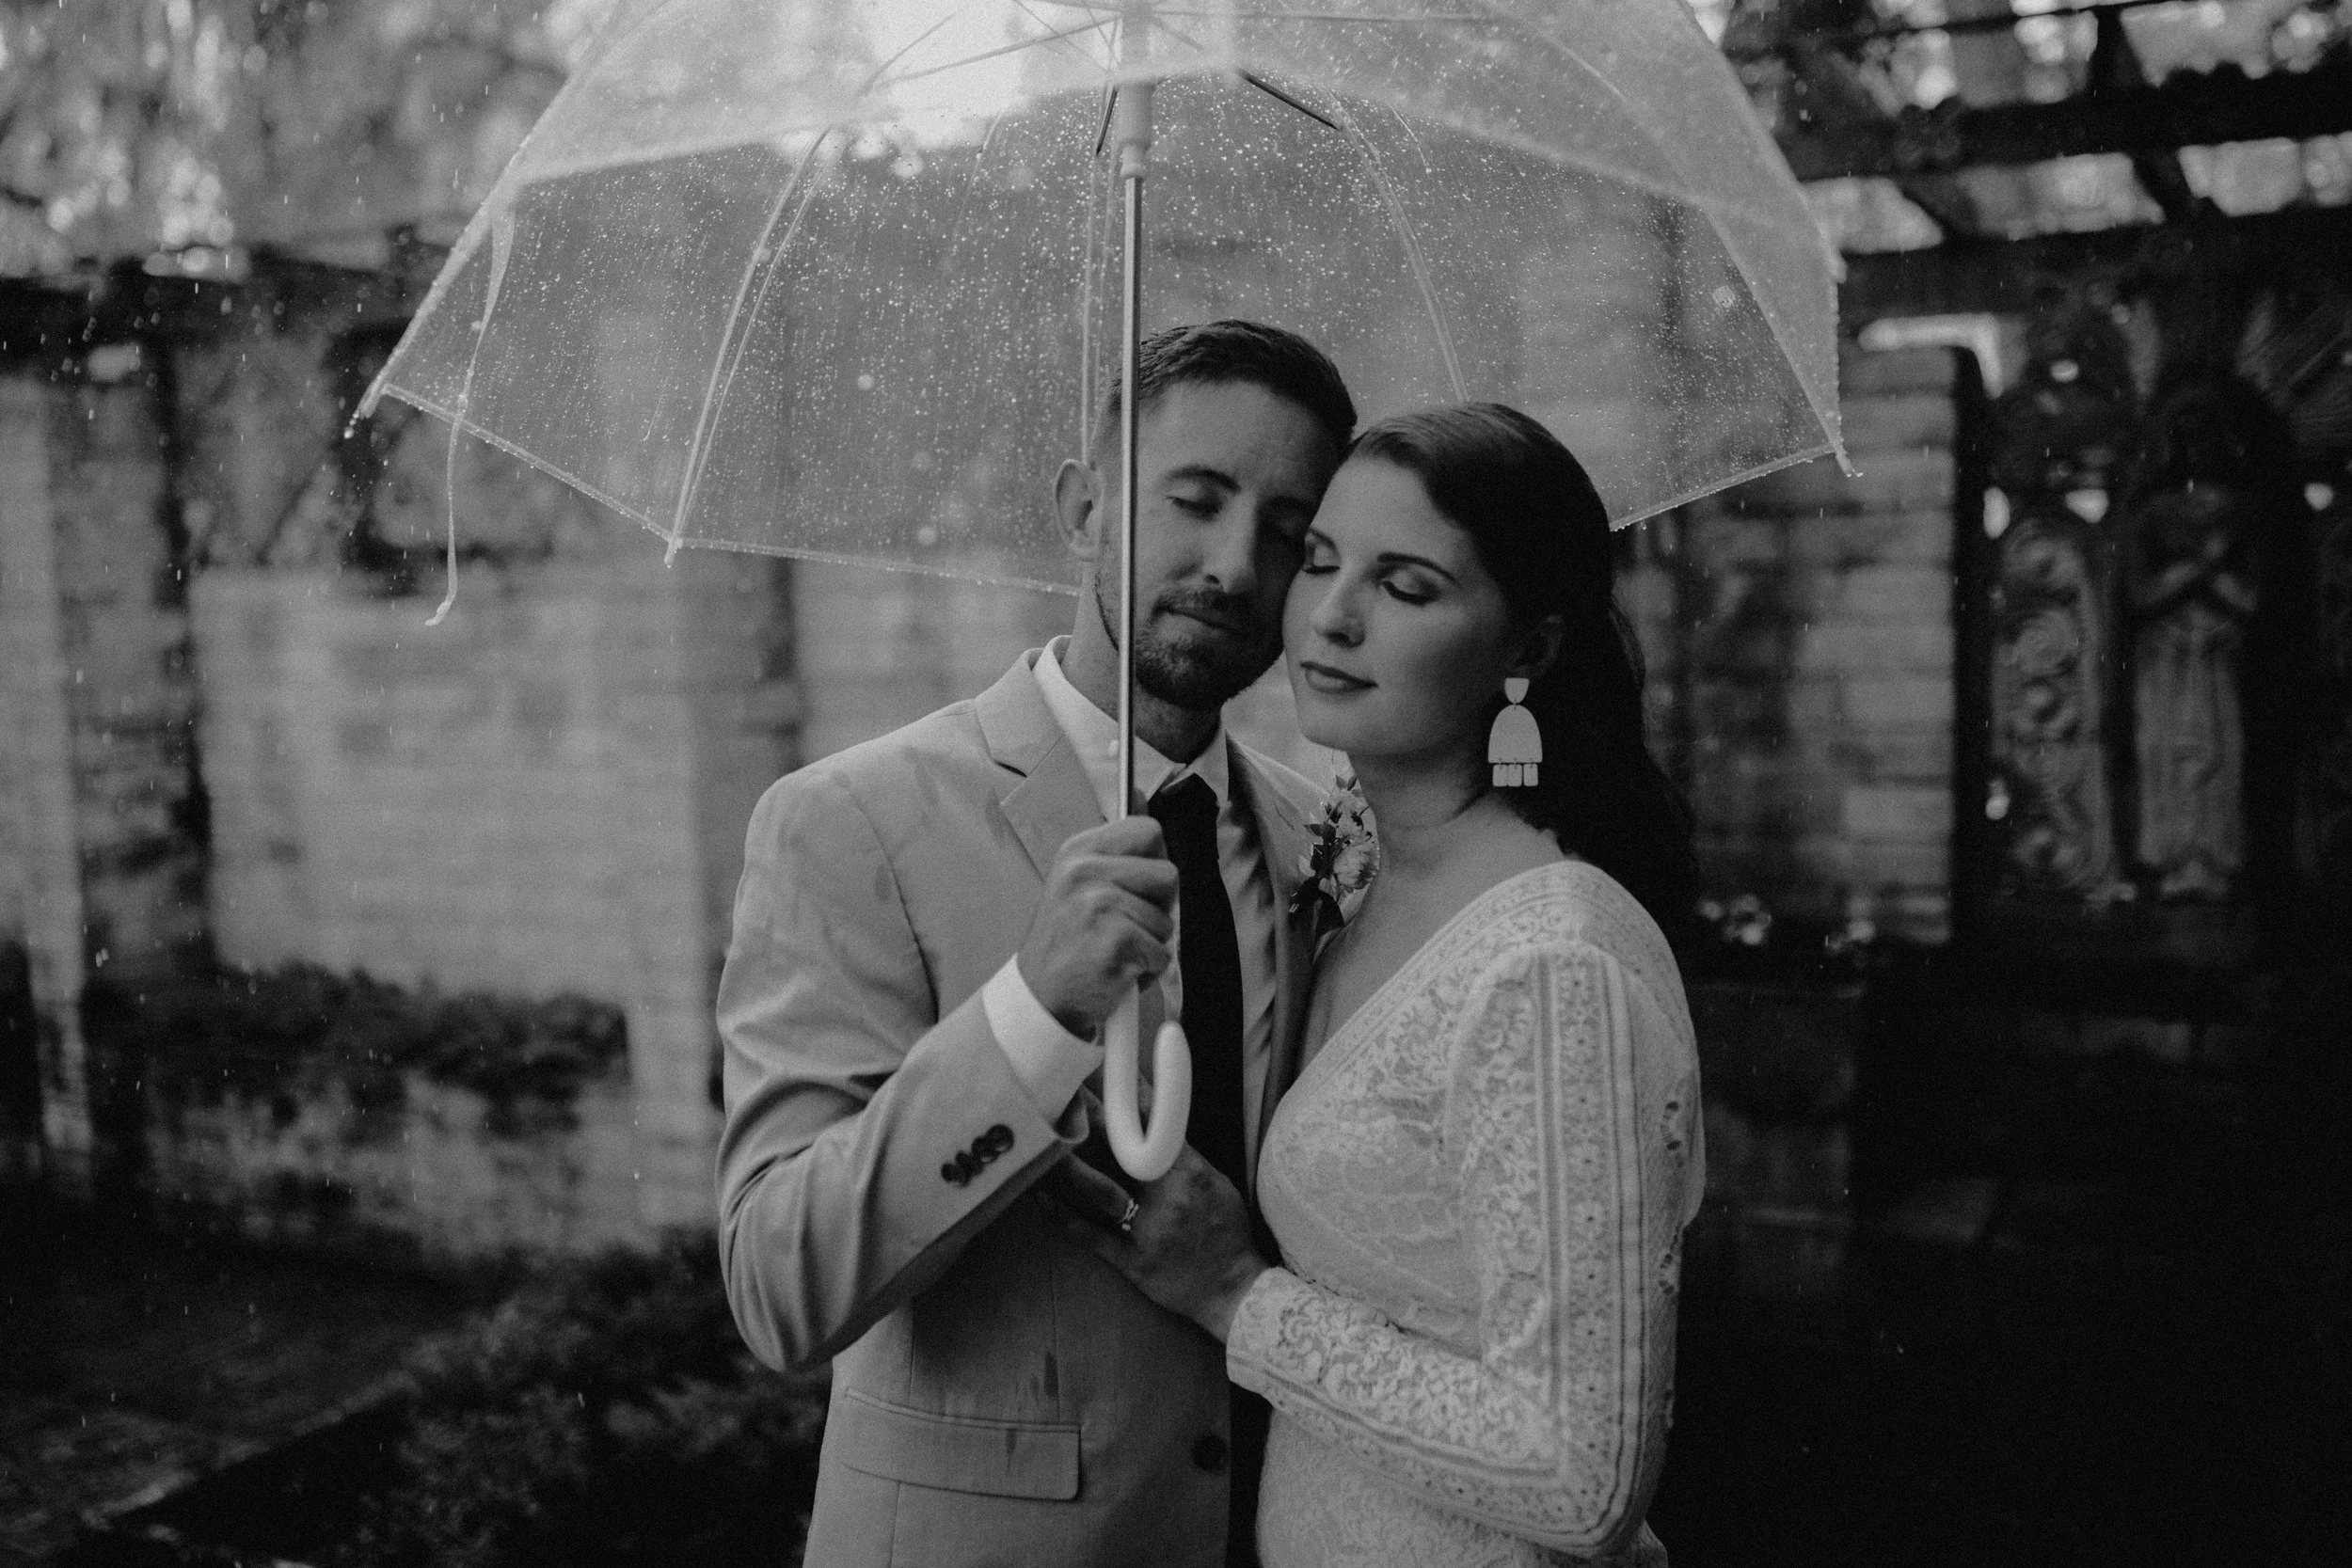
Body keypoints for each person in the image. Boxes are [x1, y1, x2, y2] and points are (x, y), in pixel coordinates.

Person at [715, 320, 1356, 1568]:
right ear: (1082, 508)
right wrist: (1031, 1010)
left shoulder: (1316, 834)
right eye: (1195, 498)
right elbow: (777, 1283)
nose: (1233, 564)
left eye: (1287, 530)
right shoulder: (850, 821)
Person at [1070, 404, 1707, 1566]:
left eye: (1406, 587)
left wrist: (1235, 1298)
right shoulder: (1351, 885)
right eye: (1318, 562)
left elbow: (1580, 1470)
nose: (1330, 616)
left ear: (1527, 650)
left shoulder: (1548, 965)